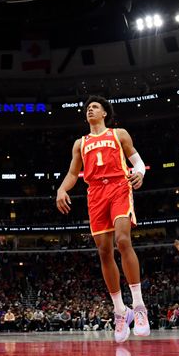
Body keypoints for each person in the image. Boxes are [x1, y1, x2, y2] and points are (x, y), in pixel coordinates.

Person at [55, 96, 149, 343]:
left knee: (122, 241)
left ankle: (138, 306)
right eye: (87, 108)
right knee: (104, 251)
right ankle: (120, 311)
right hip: (95, 194)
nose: (90, 110)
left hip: (119, 186)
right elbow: (73, 173)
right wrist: (61, 189)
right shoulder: (80, 143)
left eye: (95, 107)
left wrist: (139, 173)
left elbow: (137, 161)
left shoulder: (119, 134)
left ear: (105, 113)